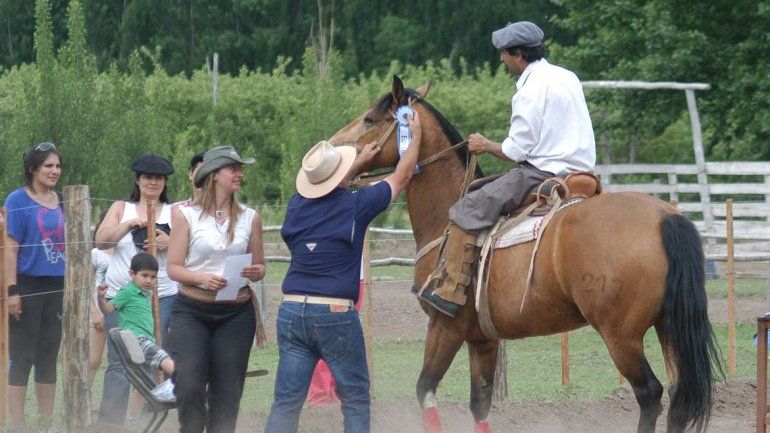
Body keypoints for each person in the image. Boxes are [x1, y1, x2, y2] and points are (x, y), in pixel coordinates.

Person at [418, 21, 596, 317]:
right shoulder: (567, 77)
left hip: (540, 172)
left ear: (517, 55)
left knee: (465, 210)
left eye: (503, 54)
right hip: (583, 173)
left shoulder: (529, 90)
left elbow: (516, 150)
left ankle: (451, 291)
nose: (501, 59)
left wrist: (485, 144)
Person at [263, 108, 422, 433]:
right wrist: (416, 136)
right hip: (334, 312)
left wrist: (359, 163)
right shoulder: (355, 205)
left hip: (291, 309)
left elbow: (328, 188)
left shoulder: (295, 207)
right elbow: (402, 176)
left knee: (286, 401)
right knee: (355, 398)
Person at [167, 145, 266, 433]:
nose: (239, 173)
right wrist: (200, 278)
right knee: (188, 382)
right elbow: (173, 267)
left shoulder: (251, 217)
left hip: (236, 312)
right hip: (192, 310)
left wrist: (256, 271)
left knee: (228, 390)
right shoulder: (187, 216)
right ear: (214, 175)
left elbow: (260, 267)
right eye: (232, 168)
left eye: (240, 168)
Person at [94, 153, 177, 424]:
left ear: (165, 182)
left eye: (159, 178)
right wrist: (127, 226)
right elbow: (101, 242)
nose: (153, 182)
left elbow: (189, 250)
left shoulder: (175, 212)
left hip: (162, 297)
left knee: (156, 355)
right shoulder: (121, 208)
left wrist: (170, 241)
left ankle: (151, 417)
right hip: (122, 297)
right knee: (119, 361)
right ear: (137, 180)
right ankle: (110, 423)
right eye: (148, 177)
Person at [2, 142, 65, 430]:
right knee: (23, 356)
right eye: (48, 166)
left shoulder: (64, 200)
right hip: (27, 285)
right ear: (32, 169)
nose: (54, 171)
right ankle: (18, 424)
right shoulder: (17, 200)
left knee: (48, 355)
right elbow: (10, 249)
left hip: (58, 286)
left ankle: (46, 421)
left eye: (57, 166)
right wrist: (12, 291)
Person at [97, 253, 175, 377]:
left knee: (145, 381)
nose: (149, 280)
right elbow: (108, 309)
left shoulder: (148, 294)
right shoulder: (127, 291)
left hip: (148, 339)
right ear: (132, 274)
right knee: (164, 360)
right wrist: (101, 298)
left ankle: (145, 396)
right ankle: (189, 382)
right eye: (144, 275)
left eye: (153, 277)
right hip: (136, 340)